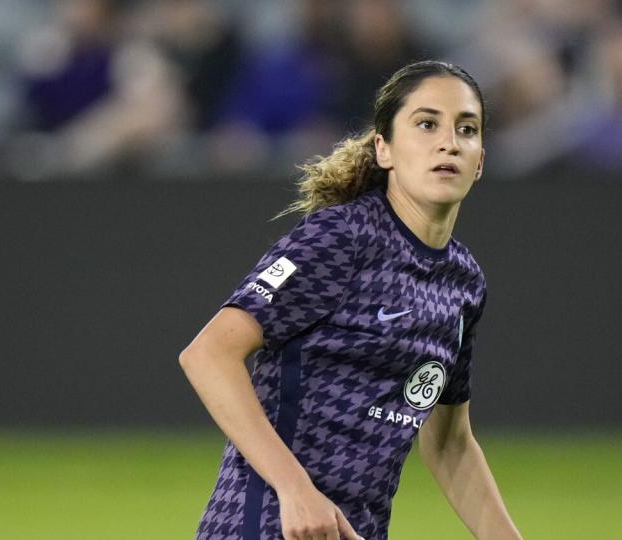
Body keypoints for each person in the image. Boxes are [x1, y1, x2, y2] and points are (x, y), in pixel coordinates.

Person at [179, 60, 523, 540]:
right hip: (264, 525)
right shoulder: (342, 237)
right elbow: (209, 354)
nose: (449, 142)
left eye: (467, 129)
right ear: (384, 148)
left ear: (480, 158)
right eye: (426, 124)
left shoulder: (462, 281)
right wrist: (295, 489)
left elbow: (449, 443)